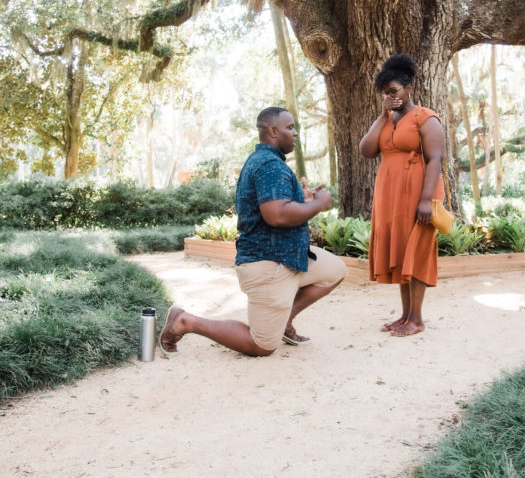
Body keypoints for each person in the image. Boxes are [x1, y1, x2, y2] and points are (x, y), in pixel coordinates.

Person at [159, 107, 347, 357]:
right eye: (290, 127)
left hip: (286, 256)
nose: (295, 133)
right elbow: (277, 215)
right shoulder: (271, 166)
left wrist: (301, 199)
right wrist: (318, 205)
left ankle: (281, 322)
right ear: (273, 130)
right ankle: (185, 321)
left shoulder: (265, 161)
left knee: (334, 270)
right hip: (268, 263)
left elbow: (274, 205)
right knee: (261, 346)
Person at [359, 53, 445, 337]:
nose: (390, 97)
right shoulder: (387, 119)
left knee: (416, 253)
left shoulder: (426, 118)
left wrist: (425, 200)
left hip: (418, 193)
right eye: (386, 93)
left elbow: (435, 159)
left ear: (409, 88)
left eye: (394, 91)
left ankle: (417, 320)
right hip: (391, 195)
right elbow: (366, 150)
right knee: (400, 253)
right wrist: (382, 114)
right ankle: (405, 315)